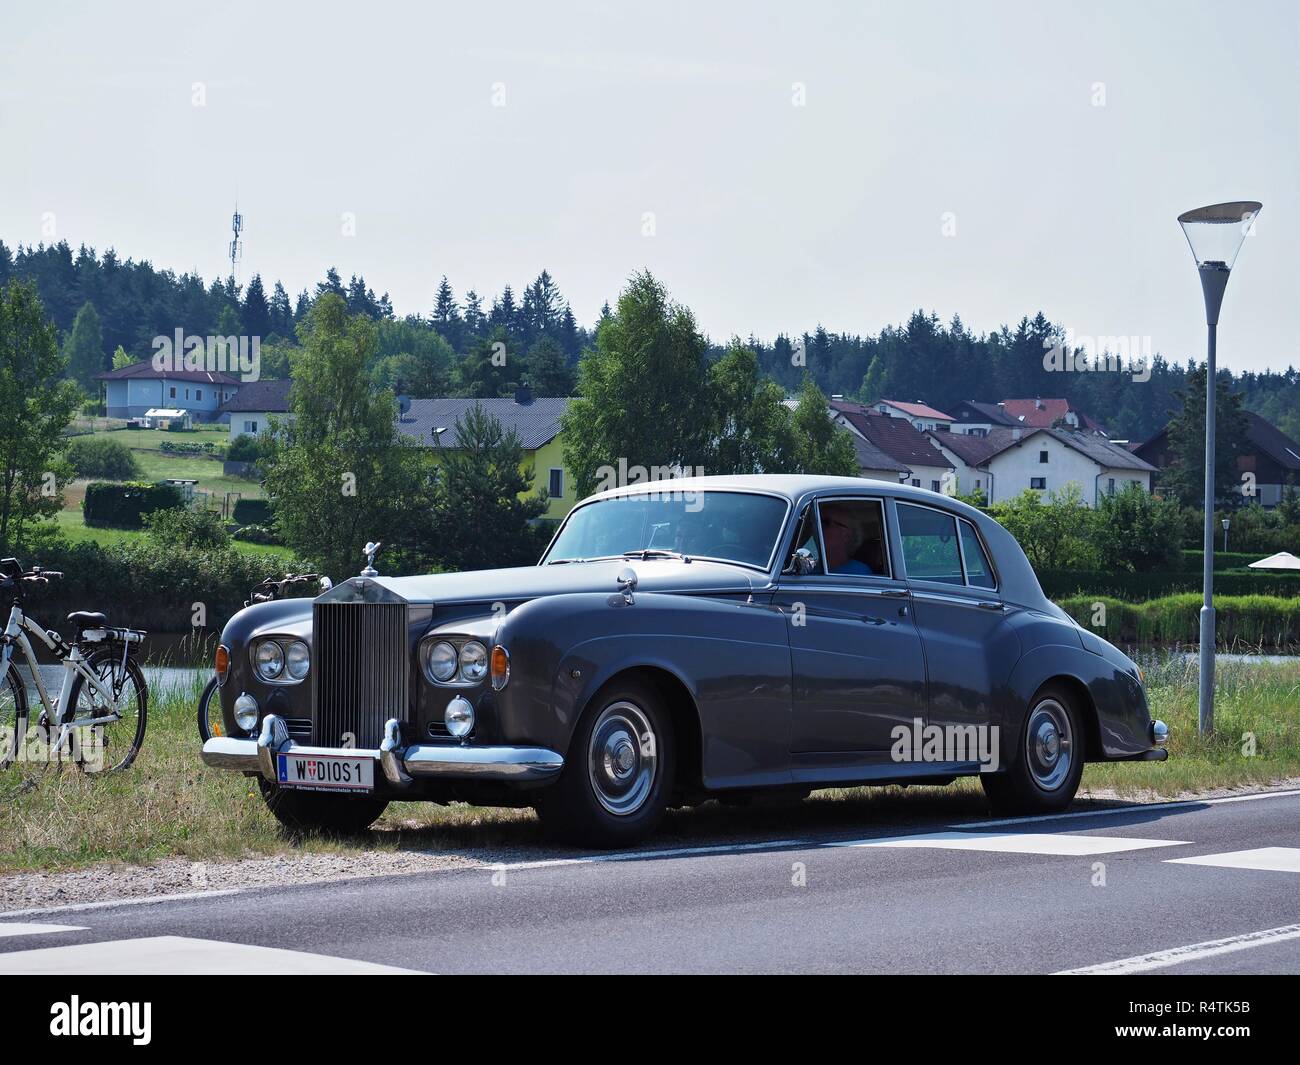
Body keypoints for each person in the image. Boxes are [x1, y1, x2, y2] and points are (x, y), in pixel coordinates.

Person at [821, 504, 874, 575]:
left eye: (825, 522)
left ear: (846, 535)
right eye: (817, 522)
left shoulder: (859, 573)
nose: (819, 527)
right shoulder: (809, 569)